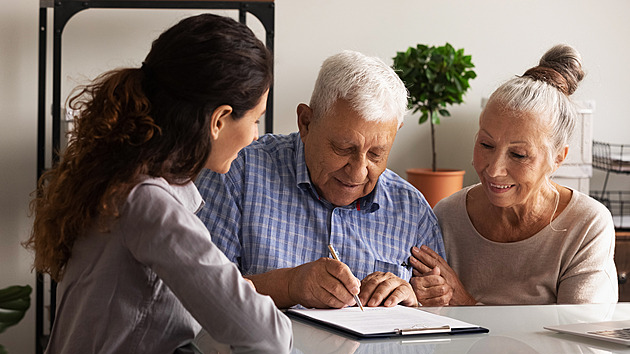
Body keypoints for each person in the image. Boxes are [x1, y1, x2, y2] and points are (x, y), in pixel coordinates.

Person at [26, 14, 292, 354]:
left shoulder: (124, 181)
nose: (255, 137)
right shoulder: (152, 207)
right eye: (256, 120)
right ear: (219, 120)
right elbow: (269, 335)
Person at [195, 50, 445, 309]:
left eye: (376, 154)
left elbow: (443, 329)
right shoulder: (237, 174)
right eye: (343, 148)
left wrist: (415, 302)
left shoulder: (413, 211)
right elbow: (195, 295)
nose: (358, 172)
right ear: (306, 123)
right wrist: (289, 285)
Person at [409, 44, 619, 305]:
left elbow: (576, 339)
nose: (494, 170)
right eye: (486, 145)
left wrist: (466, 305)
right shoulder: (447, 216)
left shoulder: (586, 224)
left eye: (519, 155)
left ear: (558, 158)